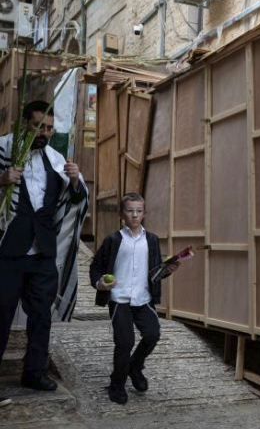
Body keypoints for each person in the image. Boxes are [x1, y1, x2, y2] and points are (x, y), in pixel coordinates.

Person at [0, 100, 88, 408]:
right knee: (1, 315)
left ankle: (34, 373)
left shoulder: (55, 157)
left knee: (41, 317)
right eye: (39, 126)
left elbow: (74, 199)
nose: (45, 133)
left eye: (49, 128)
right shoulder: (3, 149)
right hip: (8, 250)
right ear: (25, 122)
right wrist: (1, 180)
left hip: (43, 252)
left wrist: (76, 181)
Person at [90, 192, 178, 404]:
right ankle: (117, 384)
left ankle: (135, 367)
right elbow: (96, 267)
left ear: (144, 213)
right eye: (130, 211)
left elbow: (154, 272)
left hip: (143, 299)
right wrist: (99, 283)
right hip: (119, 300)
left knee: (153, 334)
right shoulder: (113, 240)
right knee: (124, 342)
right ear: (122, 214)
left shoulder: (152, 240)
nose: (135, 215)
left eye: (139, 211)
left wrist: (167, 270)